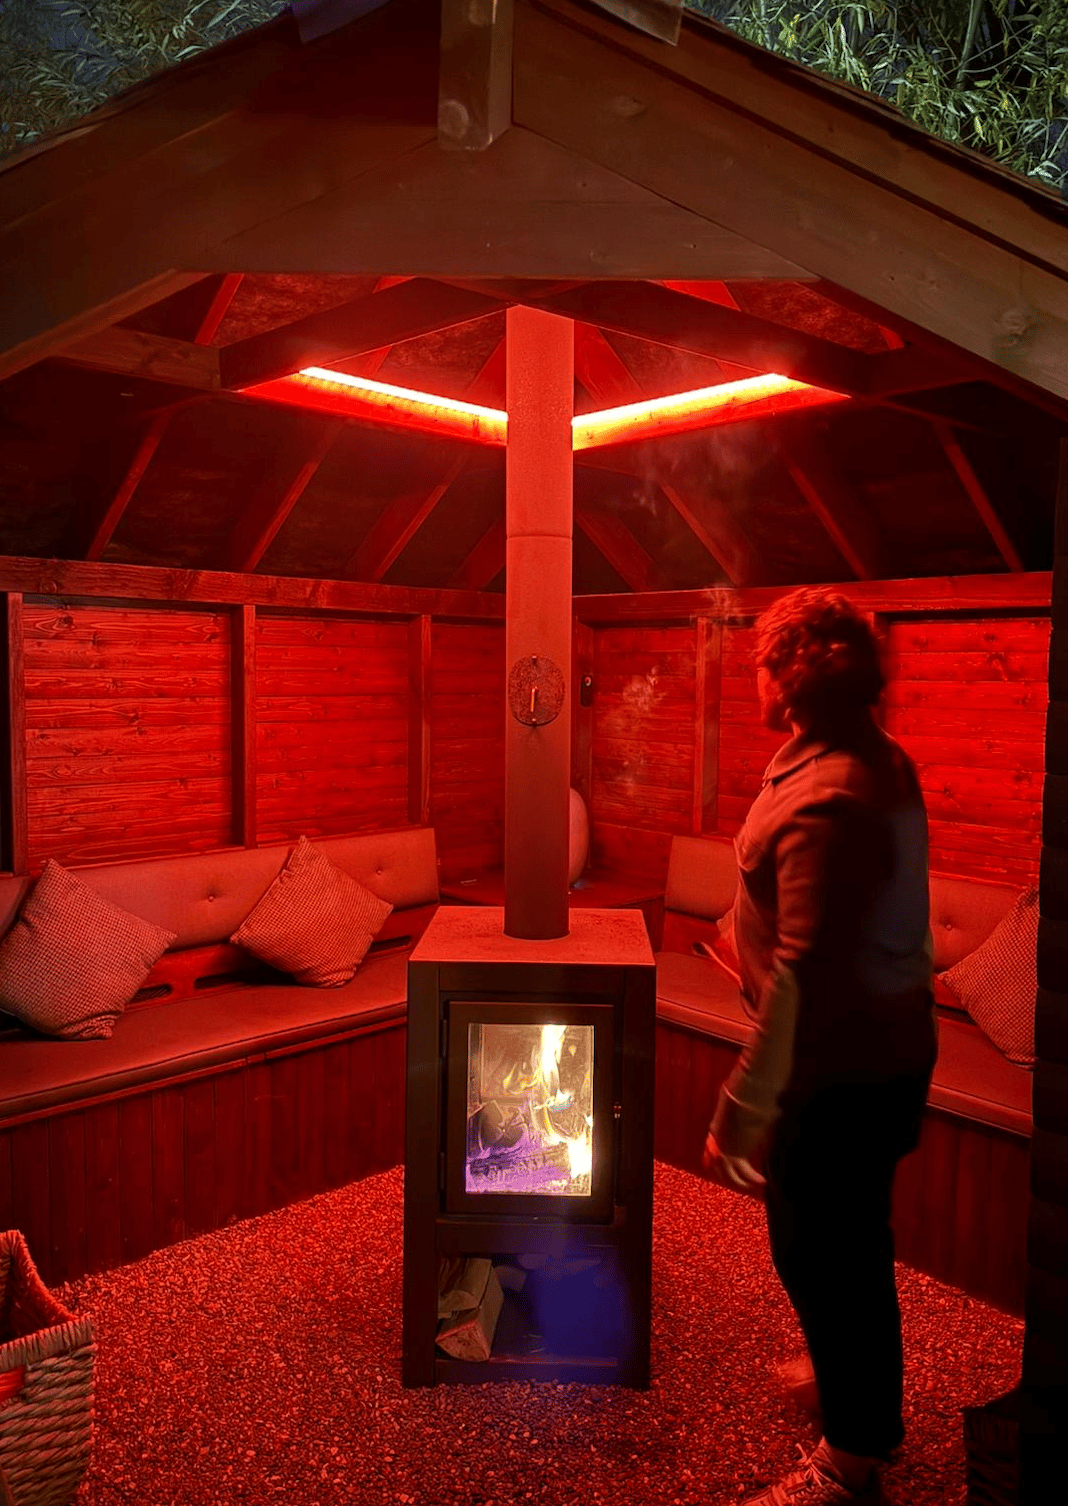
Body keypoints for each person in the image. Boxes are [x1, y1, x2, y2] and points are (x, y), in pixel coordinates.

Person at [702, 587, 937, 1506]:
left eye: (763, 664)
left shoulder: (829, 797)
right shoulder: (859, 759)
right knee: (847, 1244)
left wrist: (741, 1107)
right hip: (882, 1052)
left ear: (792, 677)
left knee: (819, 1252)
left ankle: (851, 1461)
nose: (755, 679)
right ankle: (855, 1390)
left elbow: (804, 978)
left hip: (837, 1071)